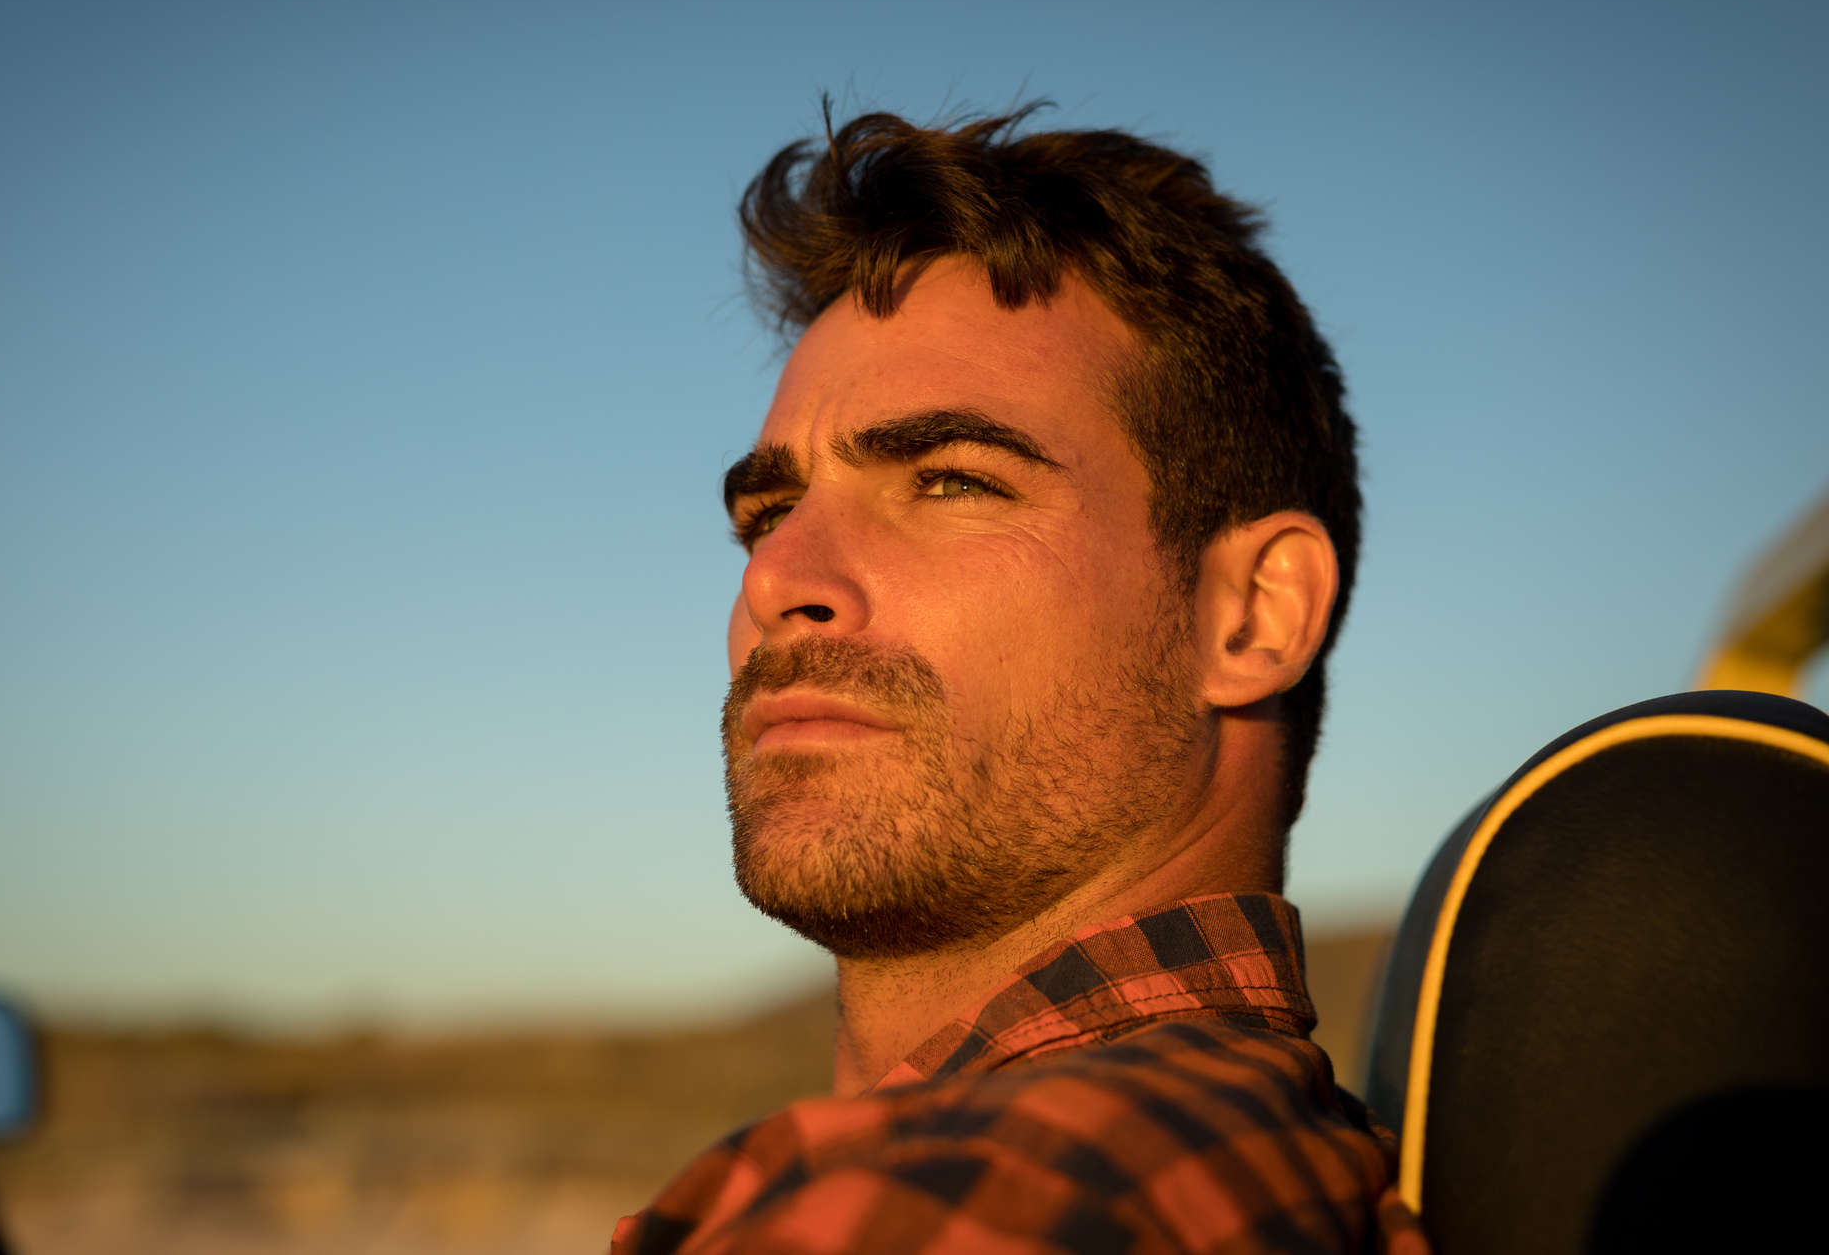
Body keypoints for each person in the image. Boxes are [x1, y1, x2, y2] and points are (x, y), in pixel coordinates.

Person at [612, 108, 1428, 1255]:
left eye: (949, 481)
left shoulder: (1023, 1184)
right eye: (768, 511)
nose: (778, 579)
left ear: (1251, 614)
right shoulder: (1216, 1166)